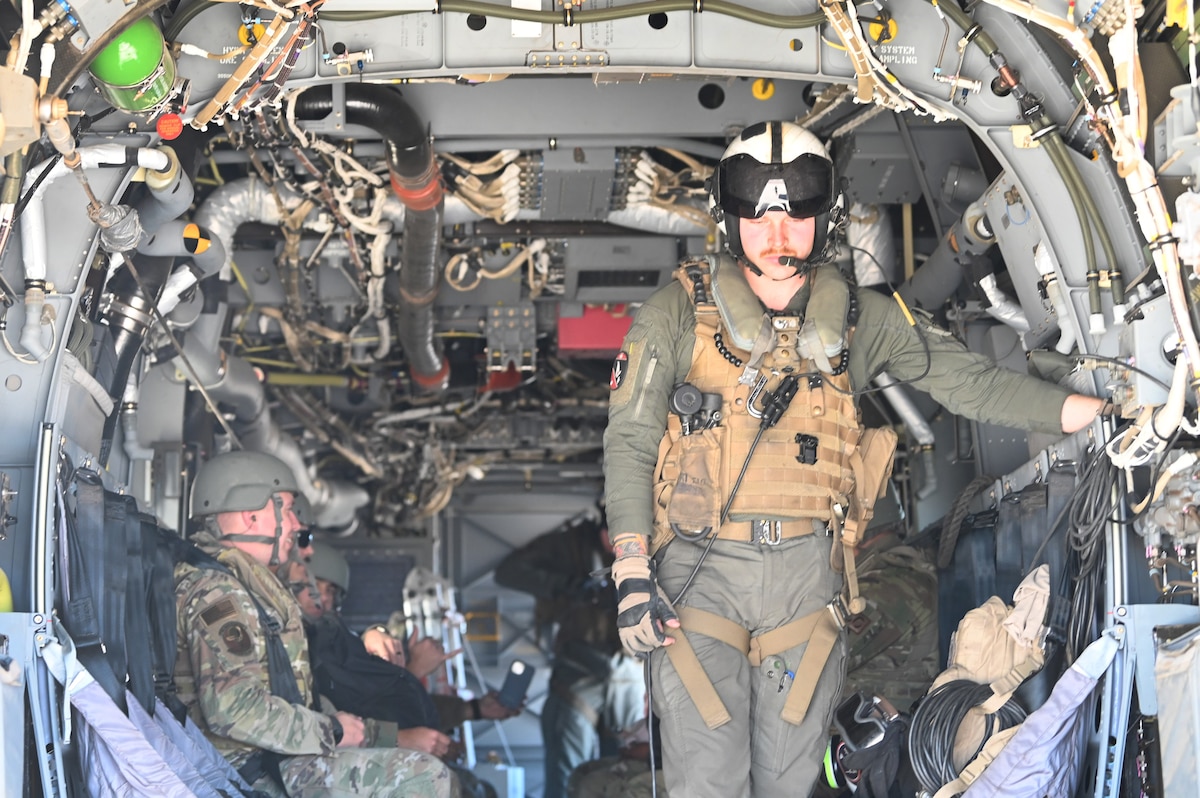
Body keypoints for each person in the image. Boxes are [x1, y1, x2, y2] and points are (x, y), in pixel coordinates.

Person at [602, 120, 1108, 797]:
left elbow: (971, 384)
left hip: (806, 586)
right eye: (757, 210)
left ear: (828, 215)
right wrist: (632, 568)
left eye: (796, 210)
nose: (777, 230)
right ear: (729, 215)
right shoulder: (673, 314)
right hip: (698, 578)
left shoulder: (860, 322)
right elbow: (631, 438)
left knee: (787, 783)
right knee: (708, 778)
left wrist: (1094, 412)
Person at [173, 449, 458, 797]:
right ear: (250, 516)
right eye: (287, 510)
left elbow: (297, 695)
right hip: (245, 773)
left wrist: (364, 733)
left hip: (269, 760)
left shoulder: (244, 587)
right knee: (424, 777)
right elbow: (233, 710)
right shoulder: (219, 593)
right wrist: (332, 731)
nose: (295, 525)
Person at [494, 508, 646, 798]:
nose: (619, 547)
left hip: (629, 675)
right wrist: (572, 587)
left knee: (629, 775)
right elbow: (508, 572)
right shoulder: (570, 545)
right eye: (614, 538)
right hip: (578, 675)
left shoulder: (649, 548)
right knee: (566, 778)